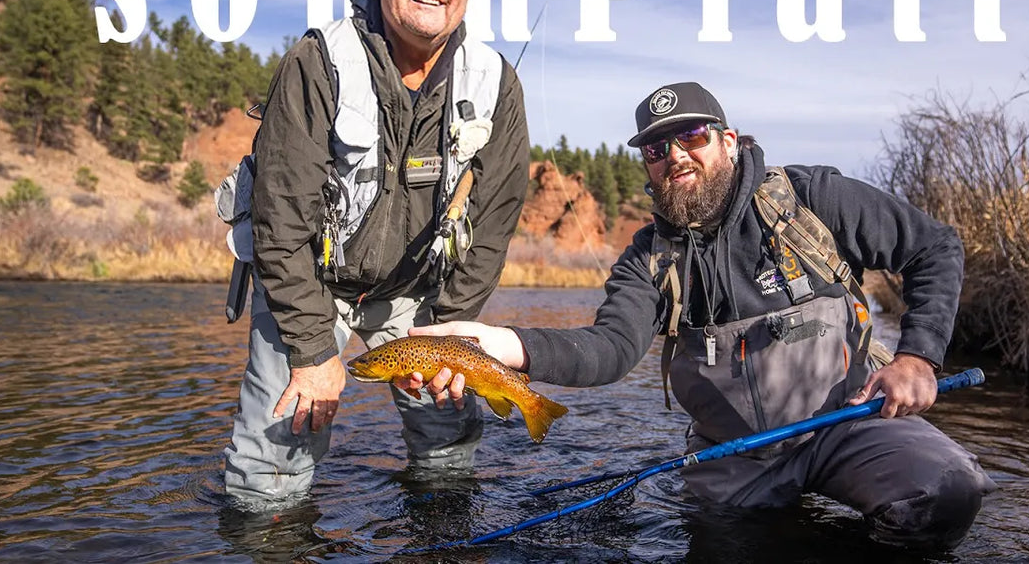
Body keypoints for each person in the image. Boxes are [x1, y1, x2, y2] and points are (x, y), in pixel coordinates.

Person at [404, 81, 996, 550]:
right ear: (647, 167)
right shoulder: (649, 258)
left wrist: (918, 356)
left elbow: (934, 247)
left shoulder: (811, 200)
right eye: (657, 150)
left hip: (849, 423)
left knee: (949, 492)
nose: (676, 157)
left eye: (692, 137)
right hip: (732, 458)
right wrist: (498, 343)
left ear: (729, 140)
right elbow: (609, 350)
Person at [222, 0, 530, 506]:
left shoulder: (497, 83)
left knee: (448, 447)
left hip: (419, 296)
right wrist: (312, 352)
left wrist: (444, 333)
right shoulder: (317, 62)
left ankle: (438, 539)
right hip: (311, 284)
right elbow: (279, 221)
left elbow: (493, 226)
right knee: (272, 467)